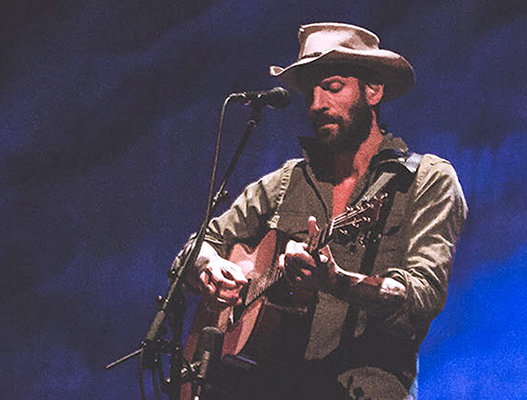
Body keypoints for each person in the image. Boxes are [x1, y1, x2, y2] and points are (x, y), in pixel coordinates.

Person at [181, 22, 467, 399]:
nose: (317, 104)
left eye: (332, 87)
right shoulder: (287, 181)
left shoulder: (425, 179)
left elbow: (423, 296)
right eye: (311, 93)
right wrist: (210, 267)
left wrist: (336, 281)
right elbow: (195, 248)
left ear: (373, 90)